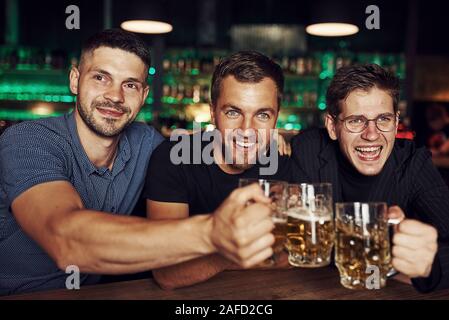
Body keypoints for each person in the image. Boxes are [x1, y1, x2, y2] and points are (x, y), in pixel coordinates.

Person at [0, 30, 275, 295]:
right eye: (101, 77)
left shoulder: (147, 143)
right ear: (75, 80)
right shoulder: (27, 141)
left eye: (130, 84)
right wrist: (212, 233)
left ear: (143, 95)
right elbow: (65, 241)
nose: (115, 96)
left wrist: (264, 139)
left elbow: (204, 144)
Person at [144, 51, 303, 289]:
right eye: (233, 112)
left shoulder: (285, 164)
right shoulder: (173, 158)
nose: (246, 129)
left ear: (276, 118)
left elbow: (298, 255)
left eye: (262, 115)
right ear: (212, 113)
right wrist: (239, 249)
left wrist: (205, 260)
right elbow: (169, 272)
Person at [291, 64, 449, 292]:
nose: (372, 134)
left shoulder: (413, 162)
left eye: (383, 119)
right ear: (333, 127)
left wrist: (429, 264)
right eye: (356, 120)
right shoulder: (307, 151)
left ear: (395, 124)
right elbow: (293, 240)